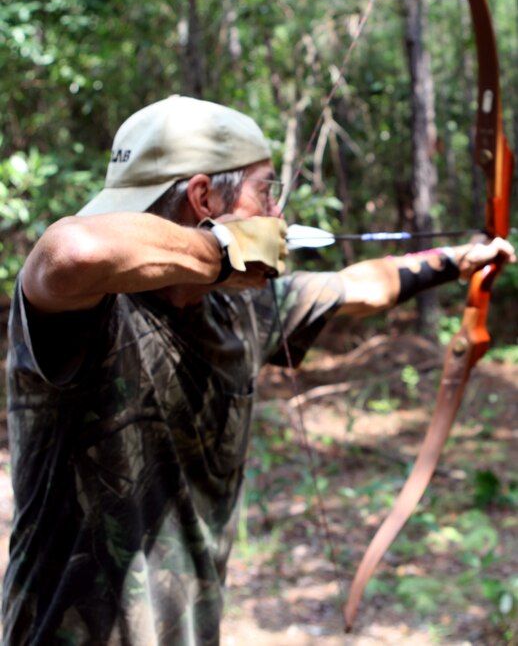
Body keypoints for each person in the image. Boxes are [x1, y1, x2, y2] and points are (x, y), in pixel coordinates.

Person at [3, 94, 514, 645]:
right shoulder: (94, 313)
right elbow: (70, 251)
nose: (278, 213)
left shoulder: (240, 307)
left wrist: (455, 261)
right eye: (266, 191)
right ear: (203, 196)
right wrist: (224, 250)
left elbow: (361, 287)